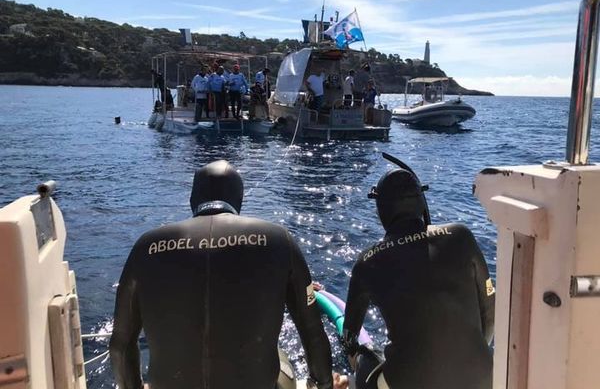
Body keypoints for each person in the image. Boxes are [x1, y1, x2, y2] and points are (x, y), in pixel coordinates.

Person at [110, 160, 335, 389]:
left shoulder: (147, 246)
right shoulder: (279, 240)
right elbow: (312, 331)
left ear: (193, 199)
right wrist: (324, 384)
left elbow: (121, 344)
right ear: (239, 198)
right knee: (282, 360)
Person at [341, 163, 495, 389]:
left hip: (408, 381)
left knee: (364, 360)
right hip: (482, 377)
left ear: (381, 209)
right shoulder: (461, 236)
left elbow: (349, 336)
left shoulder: (367, 261)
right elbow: (489, 311)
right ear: (421, 202)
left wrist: (353, 352)